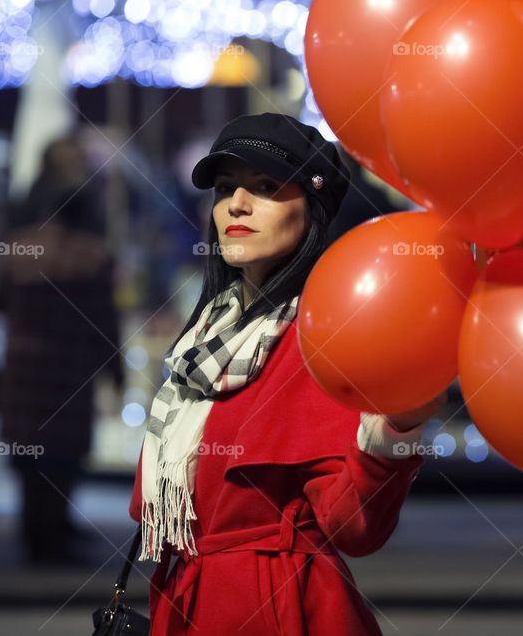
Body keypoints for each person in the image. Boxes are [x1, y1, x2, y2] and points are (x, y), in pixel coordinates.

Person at [129, 113, 445, 634]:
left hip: (279, 611)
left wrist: (397, 430)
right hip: (186, 600)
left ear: (313, 207)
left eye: (267, 187)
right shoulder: (204, 339)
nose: (238, 204)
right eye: (227, 188)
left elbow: (353, 527)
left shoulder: (324, 338)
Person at [0, 134, 123, 563]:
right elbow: (105, 323)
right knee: (63, 457)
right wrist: (115, 373)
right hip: (70, 370)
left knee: (29, 457)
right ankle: (53, 537)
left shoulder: (16, 250)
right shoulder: (93, 257)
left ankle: (35, 536)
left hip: (24, 368)